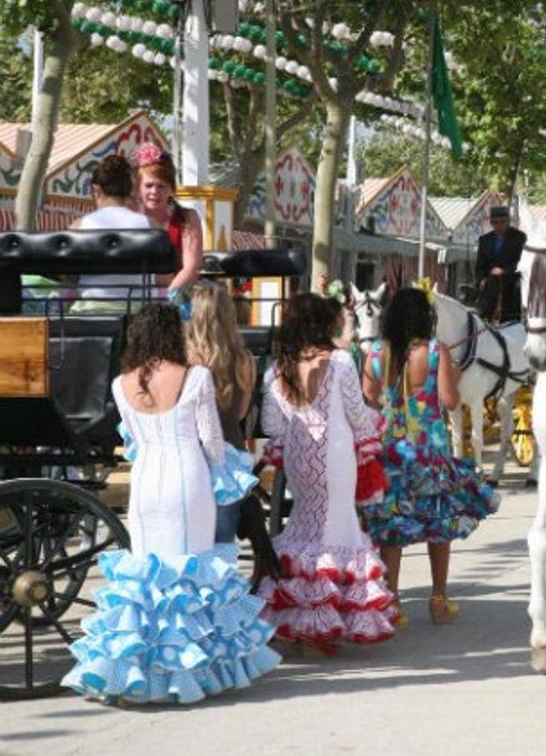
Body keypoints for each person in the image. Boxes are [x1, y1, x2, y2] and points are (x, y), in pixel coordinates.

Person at [62, 304, 278, 704]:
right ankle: (187, 674)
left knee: (146, 575)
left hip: (146, 482)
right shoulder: (195, 377)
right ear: (173, 335)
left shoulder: (121, 384)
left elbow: (130, 441)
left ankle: (138, 672)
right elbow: (212, 442)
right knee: (190, 574)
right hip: (188, 479)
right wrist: (227, 471)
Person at [256, 293, 396, 651]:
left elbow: (271, 426)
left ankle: (301, 618)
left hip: (298, 457)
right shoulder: (340, 362)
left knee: (304, 527)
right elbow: (357, 415)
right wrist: (376, 425)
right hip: (335, 455)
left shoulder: (277, 368)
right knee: (337, 529)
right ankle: (325, 623)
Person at [360, 287, 500, 627]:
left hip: (390, 452)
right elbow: (450, 401)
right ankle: (439, 599)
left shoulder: (376, 353)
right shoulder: (436, 351)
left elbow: (368, 399)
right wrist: (453, 376)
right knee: (439, 525)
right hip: (430, 452)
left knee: (392, 529)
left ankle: (393, 601)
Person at [184, 282, 262, 544]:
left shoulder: (185, 359)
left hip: (191, 456)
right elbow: (241, 413)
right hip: (230, 457)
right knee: (222, 544)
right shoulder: (244, 359)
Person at [70, 153, 151, 314]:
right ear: (130, 189)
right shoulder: (151, 226)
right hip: (137, 311)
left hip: (91, 310)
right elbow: (163, 276)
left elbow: (70, 276)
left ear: (96, 190)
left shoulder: (78, 227)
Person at [134, 142, 202, 294]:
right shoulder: (131, 218)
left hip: (176, 296)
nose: (154, 191)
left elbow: (191, 268)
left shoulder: (187, 217)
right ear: (138, 188)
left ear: (172, 189)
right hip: (136, 296)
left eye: (161, 186)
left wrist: (166, 298)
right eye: (148, 185)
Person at [475, 205, 526, 322]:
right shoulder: (485, 240)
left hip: (512, 283)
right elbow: (479, 266)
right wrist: (481, 279)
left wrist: (504, 271)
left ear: (508, 221)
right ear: (491, 223)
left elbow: (522, 262)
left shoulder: (519, 238)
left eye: (503, 222)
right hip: (490, 286)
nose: (499, 225)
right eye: (495, 222)